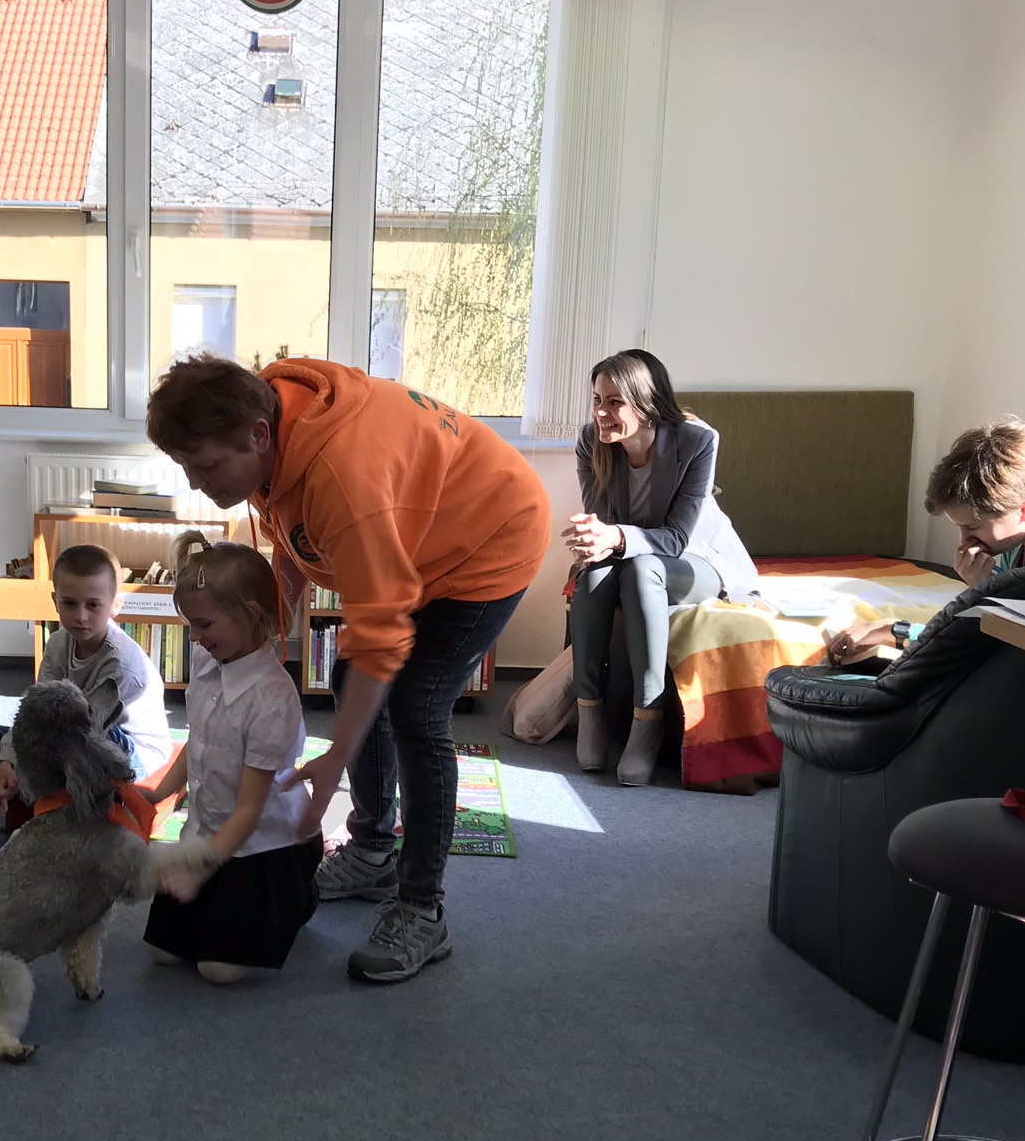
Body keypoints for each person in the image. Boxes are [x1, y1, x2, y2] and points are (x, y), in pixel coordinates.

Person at [145, 354, 548, 985]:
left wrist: (334, 761)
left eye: (207, 467)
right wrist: (256, 634)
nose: (198, 484)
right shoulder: (270, 425)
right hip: (417, 528)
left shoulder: (343, 477)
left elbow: (379, 636)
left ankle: (421, 908)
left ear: (257, 435)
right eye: (186, 467)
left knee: (414, 706)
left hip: (489, 536)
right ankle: (372, 851)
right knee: (346, 681)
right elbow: (290, 542)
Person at [563, 350, 760, 784]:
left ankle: (647, 719)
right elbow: (602, 522)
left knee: (644, 570)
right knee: (592, 574)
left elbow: (675, 539)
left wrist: (614, 537)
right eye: (597, 400)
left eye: (614, 402)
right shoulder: (590, 441)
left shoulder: (697, 441)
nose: (600, 412)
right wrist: (591, 540)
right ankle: (590, 712)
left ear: (646, 403)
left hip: (698, 561)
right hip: (634, 556)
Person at [144, 533, 321, 984]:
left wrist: (200, 872)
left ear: (253, 616)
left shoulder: (271, 698)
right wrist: (156, 795)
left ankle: (297, 895)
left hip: (263, 844)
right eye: (191, 624)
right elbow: (198, 742)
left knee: (217, 969)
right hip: (210, 829)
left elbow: (249, 810)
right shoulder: (207, 663)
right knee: (163, 952)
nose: (194, 637)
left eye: (203, 624)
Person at [826, 417, 1025, 666]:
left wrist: (985, 590)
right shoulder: (1018, 541)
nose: (964, 539)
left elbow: (1019, 649)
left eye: (972, 527)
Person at [0, 543, 173, 813]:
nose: (81, 616)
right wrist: (7, 761)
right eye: (69, 604)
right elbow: (34, 711)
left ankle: (43, 791)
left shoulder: (121, 662)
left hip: (127, 746)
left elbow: (90, 732)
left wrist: (32, 756)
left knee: (71, 736)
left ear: (115, 605)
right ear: (55, 601)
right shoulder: (57, 644)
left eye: (93, 605)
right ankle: (44, 789)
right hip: (68, 736)